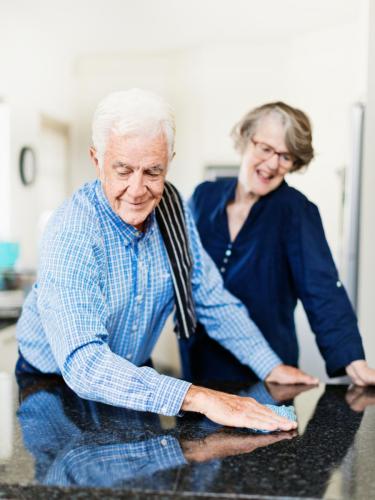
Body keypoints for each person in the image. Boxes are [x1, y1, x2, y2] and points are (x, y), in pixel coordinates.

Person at [15, 90, 317, 433]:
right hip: (57, 387)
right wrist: (201, 397)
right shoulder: (73, 230)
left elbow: (209, 297)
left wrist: (270, 366)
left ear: (169, 161)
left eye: (153, 171)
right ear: (96, 160)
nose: (137, 188)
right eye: (123, 170)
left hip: (133, 370)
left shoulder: (173, 209)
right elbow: (85, 364)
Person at [180, 101, 375, 387]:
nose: (272, 164)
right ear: (246, 137)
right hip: (200, 363)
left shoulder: (296, 211)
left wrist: (353, 360)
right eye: (267, 149)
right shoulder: (204, 197)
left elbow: (322, 289)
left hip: (268, 370)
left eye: (286, 157)